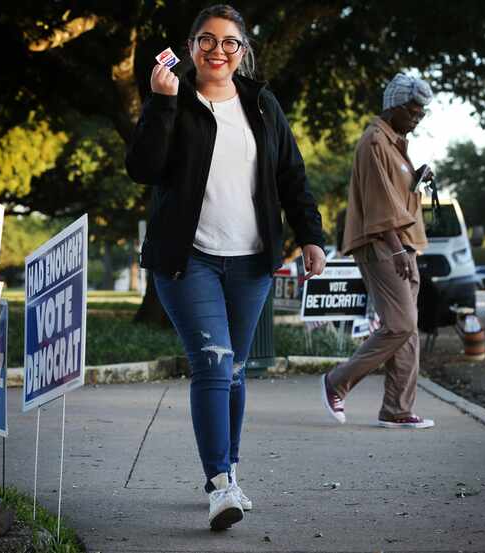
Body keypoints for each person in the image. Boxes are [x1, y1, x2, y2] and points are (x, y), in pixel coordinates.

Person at [125, 4, 326, 530]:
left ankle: (228, 471)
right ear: (190, 48)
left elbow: (291, 175)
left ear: (243, 51)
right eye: (207, 40)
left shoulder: (262, 105)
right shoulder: (174, 99)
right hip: (187, 261)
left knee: (235, 370)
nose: (218, 50)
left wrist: (311, 237)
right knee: (213, 365)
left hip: (252, 263)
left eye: (229, 42)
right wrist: (162, 103)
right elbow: (143, 168)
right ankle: (219, 484)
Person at [319, 73, 435, 430]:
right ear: (394, 107)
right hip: (384, 246)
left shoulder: (396, 144)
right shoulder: (374, 142)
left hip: (405, 245)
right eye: (414, 112)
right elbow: (378, 204)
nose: (418, 119)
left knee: (408, 330)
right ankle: (337, 381)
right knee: (400, 324)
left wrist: (416, 178)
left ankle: (397, 409)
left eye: (422, 114)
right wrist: (397, 249)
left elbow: (397, 196)